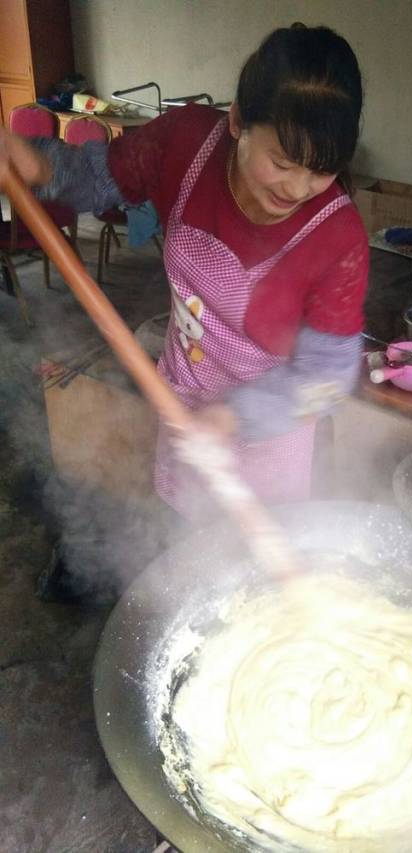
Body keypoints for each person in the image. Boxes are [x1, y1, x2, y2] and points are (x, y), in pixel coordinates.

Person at [0, 23, 368, 522]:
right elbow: (95, 177)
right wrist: (34, 164)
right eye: (282, 161)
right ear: (238, 121)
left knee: (254, 564)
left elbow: (326, 375)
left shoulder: (338, 236)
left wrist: (232, 417)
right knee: (184, 540)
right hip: (181, 400)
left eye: (321, 170)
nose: (299, 187)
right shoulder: (186, 141)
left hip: (270, 432)